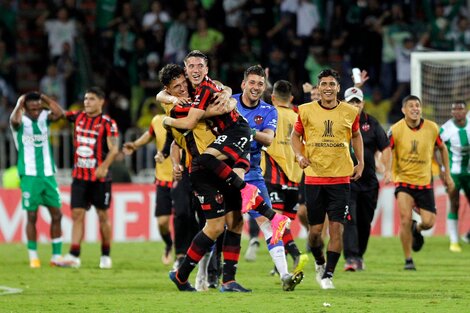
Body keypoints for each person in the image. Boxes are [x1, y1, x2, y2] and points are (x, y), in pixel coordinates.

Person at [291, 69, 364, 289]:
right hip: (314, 178)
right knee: (314, 233)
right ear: (319, 87)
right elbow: (295, 136)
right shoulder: (305, 111)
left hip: (341, 179)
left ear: (338, 88)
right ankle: (320, 262)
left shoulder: (350, 112)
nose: (328, 88)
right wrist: (299, 155)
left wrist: (360, 162)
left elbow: (356, 135)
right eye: (324, 84)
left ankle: (328, 275)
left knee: (336, 229)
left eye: (332, 84)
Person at [234, 69, 305, 290]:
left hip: (253, 173)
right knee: (218, 225)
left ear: (265, 88)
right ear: (243, 83)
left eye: (260, 83)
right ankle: (205, 277)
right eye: (252, 82)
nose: (255, 87)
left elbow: (267, 139)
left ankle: (284, 275)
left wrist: (246, 129)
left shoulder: (269, 111)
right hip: (224, 171)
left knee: (269, 223)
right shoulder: (229, 102)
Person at [123, 102, 197, 266]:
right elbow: (149, 135)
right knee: (163, 222)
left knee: (183, 216)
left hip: (181, 177)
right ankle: (169, 244)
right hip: (162, 178)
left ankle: (181, 254)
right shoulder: (158, 120)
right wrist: (135, 145)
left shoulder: (188, 120)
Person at [385, 95, 454, 270]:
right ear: (403, 110)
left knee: (429, 222)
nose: (415, 108)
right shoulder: (396, 129)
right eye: (411, 106)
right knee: (405, 219)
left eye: (418, 105)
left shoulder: (432, 128)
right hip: (404, 181)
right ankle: (408, 260)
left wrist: (447, 173)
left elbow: (442, 148)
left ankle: (418, 230)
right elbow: (387, 150)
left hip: (425, 181)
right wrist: (387, 170)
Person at [62, 87, 119, 269]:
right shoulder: (78, 117)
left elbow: (115, 149)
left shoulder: (108, 123)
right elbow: (60, 113)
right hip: (79, 177)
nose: (87, 102)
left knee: (102, 216)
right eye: (86, 99)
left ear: (101, 101)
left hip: (100, 179)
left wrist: (103, 166)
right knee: (77, 215)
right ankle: (74, 254)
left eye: (91, 99)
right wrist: (44, 100)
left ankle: (105, 254)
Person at [10, 92, 65, 268]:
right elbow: (14, 121)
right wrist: (19, 103)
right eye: (31, 108)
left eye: (37, 108)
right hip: (29, 175)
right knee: (32, 215)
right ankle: (33, 256)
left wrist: (46, 99)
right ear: (25, 108)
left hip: (48, 175)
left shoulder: (44, 117)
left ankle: (56, 256)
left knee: (57, 214)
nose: (35, 112)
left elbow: (60, 114)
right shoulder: (19, 121)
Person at [261, 79, 309, 274]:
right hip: (296, 175)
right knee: (284, 222)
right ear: (291, 98)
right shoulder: (299, 115)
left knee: (274, 221)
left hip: (273, 173)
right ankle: (281, 262)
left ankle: (295, 253)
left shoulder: (268, 112)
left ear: (272, 97)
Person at [341, 86, 391, 271]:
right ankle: (351, 258)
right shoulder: (339, 123)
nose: (355, 105)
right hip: (347, 182)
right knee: (350, 219)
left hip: (369, 183)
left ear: (363, 103)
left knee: (364, 221)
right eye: (351, 102)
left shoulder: (372, 123)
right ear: (345, 104)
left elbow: (385, 147)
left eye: (357, 101)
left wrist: (387, 169)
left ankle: (359, 255)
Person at [439, 101, 470, 252]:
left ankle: (468, 234)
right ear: (451, 112)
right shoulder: (445, 129)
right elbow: (434, 148)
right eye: (455, 109)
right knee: (455, 203)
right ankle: (454, 240)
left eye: (460, 109)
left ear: (465, 111)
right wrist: (440, 168)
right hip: (453, 173)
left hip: (469, 172)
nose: (458, 112)